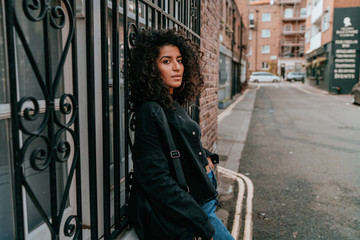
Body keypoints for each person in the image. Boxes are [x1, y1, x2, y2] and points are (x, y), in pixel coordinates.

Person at [128, 28, 234, 240]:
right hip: (196, 210)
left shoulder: (169, 102)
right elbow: (155, 178)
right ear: (150, 68)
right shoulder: (151, 110)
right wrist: (200, 221)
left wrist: (207, 158)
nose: (177, 67)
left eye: (179, 60)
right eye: (166, 61)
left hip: (203, 201)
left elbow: (178, 144)